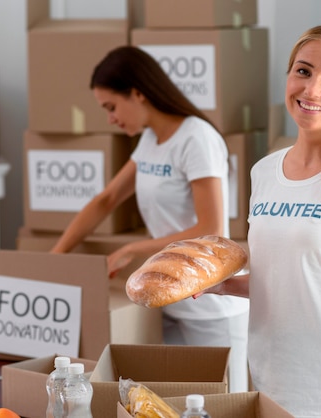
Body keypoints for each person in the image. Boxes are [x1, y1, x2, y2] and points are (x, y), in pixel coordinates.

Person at [197, 23, 321, 417]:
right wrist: (221, 286)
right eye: (303, 71)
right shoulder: (264, 173)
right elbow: (285, 281)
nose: (312, 90)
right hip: (272, 395)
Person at [50, 46, 250, 393]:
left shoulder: (196, 138)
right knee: (173, 404)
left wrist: (134, 248)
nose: (110, 118)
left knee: (220, 405)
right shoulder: (150, 141)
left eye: (111, 107)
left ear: (138, 94)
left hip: (211, 305)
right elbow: (106, 199)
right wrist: (55, 256)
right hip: (169, 300)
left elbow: (212, 229)